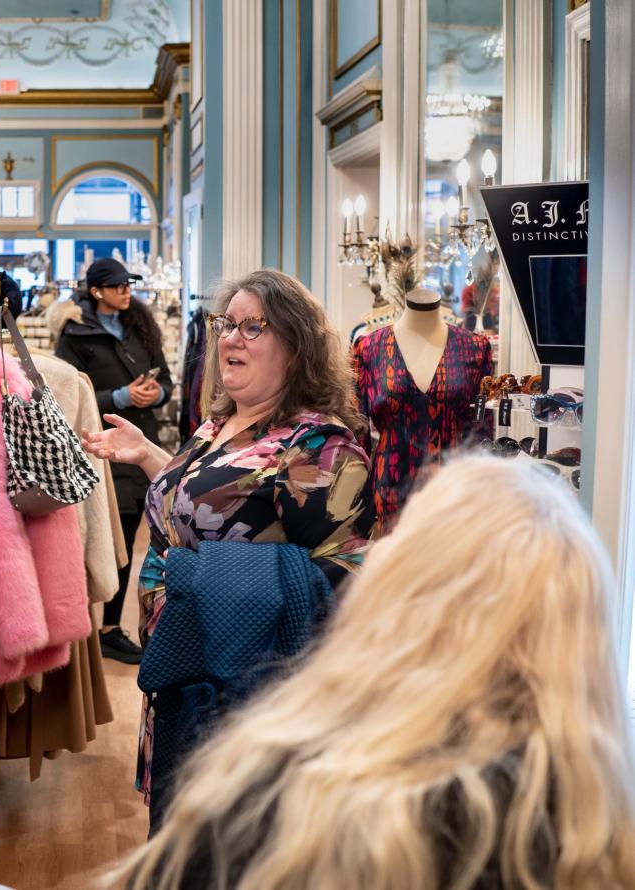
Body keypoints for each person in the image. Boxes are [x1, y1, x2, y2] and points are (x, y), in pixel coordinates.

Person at [113, 454, 635, 890]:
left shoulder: (274, 793)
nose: (378, 546)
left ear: (407, 588)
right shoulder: (598, 829)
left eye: (398, 535)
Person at [81, 268, 372, 827]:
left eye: (252, 327)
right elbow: (212, 509)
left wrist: (190, 578)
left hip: (250, 704)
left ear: (296, 347)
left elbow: (344, 582)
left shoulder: (318, 448)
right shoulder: (219, 424)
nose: (229, 339)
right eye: (225, 324)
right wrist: (147, 456)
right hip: (185, 683)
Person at [54, 257, 172, 664]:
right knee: (114, 536)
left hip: (142, 445)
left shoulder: (140, 326)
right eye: (118, 285)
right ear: (97, 291)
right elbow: (67, 398)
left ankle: (110, 626)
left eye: (128, 284)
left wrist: (154, 394)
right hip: (102, 448)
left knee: (137, 529)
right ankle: (103, 628)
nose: (126, 291)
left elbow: (168, 383)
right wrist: (120, 398)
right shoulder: (76, 334)